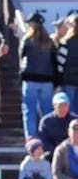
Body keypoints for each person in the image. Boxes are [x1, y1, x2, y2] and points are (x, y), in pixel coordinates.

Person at [19, 12, 57, 140]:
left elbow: (21, 58)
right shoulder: (50, 42)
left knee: (30, 111)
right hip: (47, 80)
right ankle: (46, 137)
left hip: (30, 79)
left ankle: (31, 139)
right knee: (47, 112)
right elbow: (54, 62)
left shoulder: (27, 40)